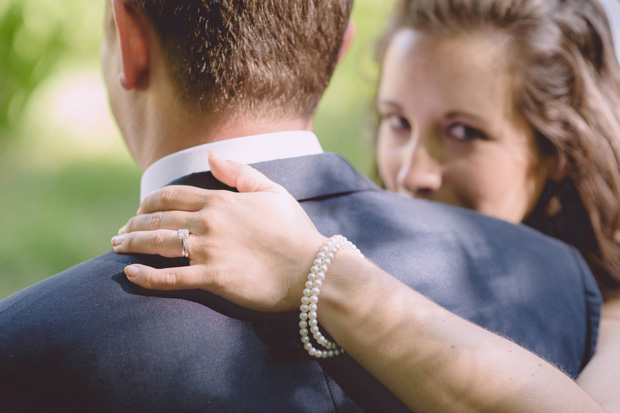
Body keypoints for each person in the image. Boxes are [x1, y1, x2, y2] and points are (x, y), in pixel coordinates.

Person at [0, 0, 600, 412]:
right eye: (396, 121)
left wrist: (318, 270)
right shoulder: (561, 283)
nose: (414, 172)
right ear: (340, 51)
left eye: (466, 131)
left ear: (129, 40)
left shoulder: (23, 345)